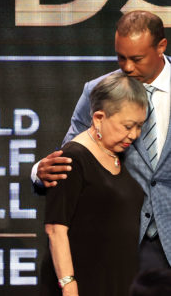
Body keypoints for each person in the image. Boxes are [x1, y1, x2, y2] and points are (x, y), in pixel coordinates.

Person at [32, 10, 171, 271]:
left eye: (137, 58)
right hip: (118, 244)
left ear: (161, 47)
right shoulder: (99, 91)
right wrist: (39, 172)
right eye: (121, 57)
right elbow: (72, 156)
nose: (127, 67)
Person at [41, 72, 147, 296]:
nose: (134, 135)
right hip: (84, 285)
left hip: (120, 283)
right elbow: (55, 229)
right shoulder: (72, 158)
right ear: (99, 117)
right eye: (128, 126)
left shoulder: (121, 156)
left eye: (139, 126)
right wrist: (69, 285)